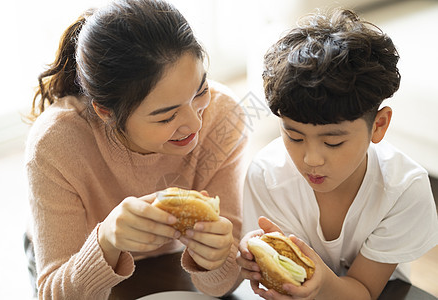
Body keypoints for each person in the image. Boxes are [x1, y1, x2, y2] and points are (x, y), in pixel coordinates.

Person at [24, 0, 248, 298]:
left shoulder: (223, 116)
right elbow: (54, 292)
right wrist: (106, 239)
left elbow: (224, 284)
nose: (195, 123)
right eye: (166, 116)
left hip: (174, 257)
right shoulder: (55, 143)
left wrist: (218, 258)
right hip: (79, 260)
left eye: (200, 91)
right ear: (106, 112)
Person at [237, 8, 438, 300]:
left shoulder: (403, 190)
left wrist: (319, 283)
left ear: (378, 125)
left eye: (333, 142)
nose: (311, 160)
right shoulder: (267, 176)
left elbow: (364, 291)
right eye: (293, 136)